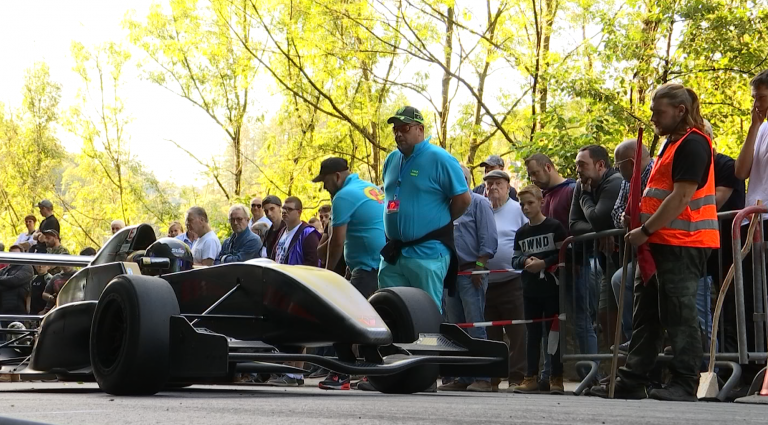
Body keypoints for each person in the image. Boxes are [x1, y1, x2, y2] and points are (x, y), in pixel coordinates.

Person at [592, 83, 718, 402]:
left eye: (658, 112)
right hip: (659, 242)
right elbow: (659, 193)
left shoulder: (694, 144)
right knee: (645, 313)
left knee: (679, 313)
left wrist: (645, 230)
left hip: (683, 242)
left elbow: (681, 197)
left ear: (680, 111)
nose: (653, 118)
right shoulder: (669, 144)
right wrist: (636, 220)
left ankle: (686, 381)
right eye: (651, 111)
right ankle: (633, 378)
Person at [379, 106, 471, 311]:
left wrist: (438, 220)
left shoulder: (440, 159)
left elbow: (463, 199)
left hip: (427, 253)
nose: (398, 134)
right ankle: (394, 345)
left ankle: (428, 344)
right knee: (390, 311)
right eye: (395, 129)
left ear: (419, 129)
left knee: (426, 315)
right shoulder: (391, 160)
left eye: (404, 128)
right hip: (395, 254)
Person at [312, 157, 387, 390]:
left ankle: (342, 373)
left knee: (340, 315)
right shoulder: (370, 188)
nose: (324, 187)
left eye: (324, 181)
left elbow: (337, 241)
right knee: (371, 319)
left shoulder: (343, 196)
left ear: (336, 176)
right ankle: (374, 372)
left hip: (368, 267)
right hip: (382, 264)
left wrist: (327, 276)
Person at [438, 165, 498, 393]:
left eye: (460, 178)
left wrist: (480, 267)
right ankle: (463, 377)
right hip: (451, 274)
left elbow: (489, 238)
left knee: (476, 325)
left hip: (472, 271)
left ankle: (483, 378)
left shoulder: (479, 203)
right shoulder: (445, 206)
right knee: (456, 328)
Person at [510, 185, 567, 395]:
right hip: (530, 290)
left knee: (553, 335)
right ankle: (530, 377)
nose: (525, 208)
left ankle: (556, 377)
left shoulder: (554, 227)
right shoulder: (521, 233)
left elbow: (565, 253)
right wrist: (526, 260)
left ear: (541, 202)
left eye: (530, 203)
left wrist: (544, 263)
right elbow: (514, 259)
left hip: (552, 290)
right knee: (532, 335)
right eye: (522, 204)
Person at [731, 69, 768, 391]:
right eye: (753, 97)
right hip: (752, 221)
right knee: (747, 300)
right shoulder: (762, 128)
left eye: (761, 96)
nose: (755, 102)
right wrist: (754, 126)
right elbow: (741, 171)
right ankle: (751, 371)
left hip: (766, 217)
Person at [569, 144, 622, 365]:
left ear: (600, 165)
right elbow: (573, 225)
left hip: (627, 260)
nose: (578, 170)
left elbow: (599, 218)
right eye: (576, 165)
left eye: (582, 164)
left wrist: (586, 198)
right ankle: (615, 370)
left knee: (626, 317)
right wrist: (601, 231)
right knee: (605, 315)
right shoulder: (582, 186)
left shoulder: (614, 181)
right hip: (607, 265)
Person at [483, 169, 528, 387]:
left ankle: (517, 377)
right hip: (485, 282)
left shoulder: (518, 209)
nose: (492, 188)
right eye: (488, 184)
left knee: (517, 331)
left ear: (508, 187)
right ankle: (492, 376)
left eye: (497, 183)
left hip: (513, 280)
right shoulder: (481, 210)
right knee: (490, 333)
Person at [610, 139, 655, 346]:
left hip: (664, 247)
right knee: (619, 280)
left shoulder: (656, 172)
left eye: (618, 165)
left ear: (630, 162)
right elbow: (617, 212)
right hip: (641, 252)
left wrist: (639, 217)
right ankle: (635, 337)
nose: (616, 169)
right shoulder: (628, 181)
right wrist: (625, 219)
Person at [525, 154, 576, 231]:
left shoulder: (572, 190)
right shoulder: (540, 197)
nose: (532, 179)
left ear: (548, 168)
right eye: (530, 176)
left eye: (535, 173)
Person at [272, 197, 321, 266]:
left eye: (289, 209)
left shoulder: (308, 233)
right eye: (283, 208)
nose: (284, 211)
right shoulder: (282, 231)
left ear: (299, 212)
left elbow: (312, 263)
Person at [0, 245, 34, 316]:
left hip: (17, 308)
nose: (14, 256)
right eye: (12, 254)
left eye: (16, 254)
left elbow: (14, 281)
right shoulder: (4, 270)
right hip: (3, 307)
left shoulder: (26, 267)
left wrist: (4, 282)